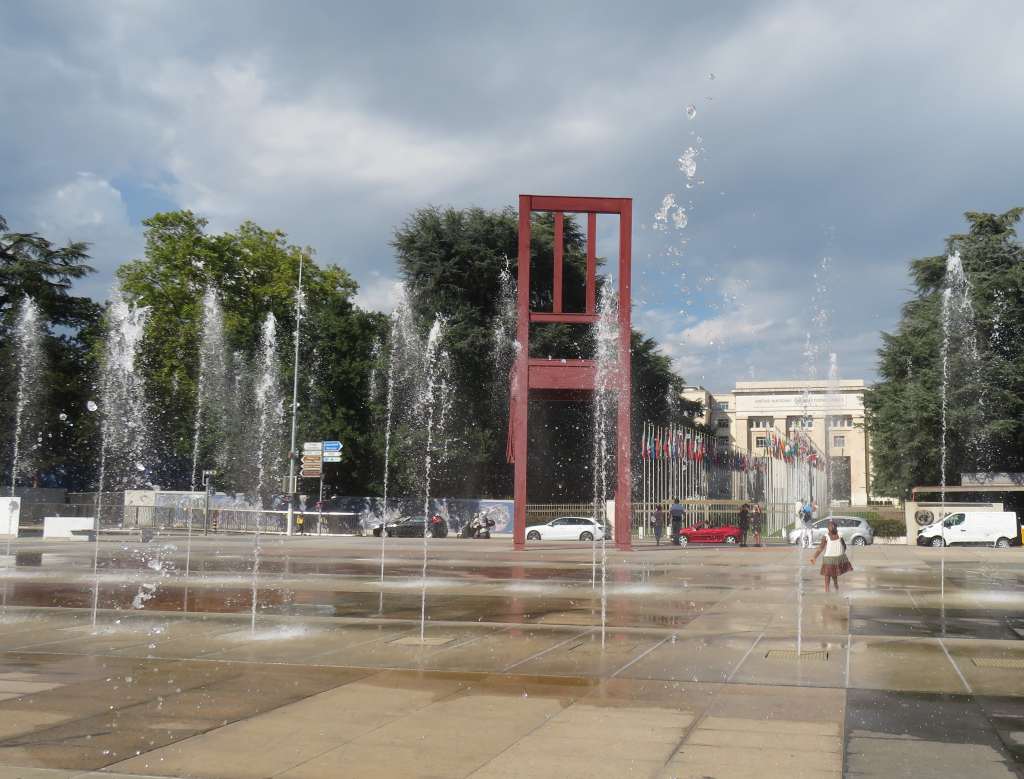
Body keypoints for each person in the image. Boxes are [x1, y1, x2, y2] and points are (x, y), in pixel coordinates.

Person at [809, 519, 853, 592]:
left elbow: (844, 546)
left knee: (834, 575)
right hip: (828, 559)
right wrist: (814, 557)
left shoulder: (839, 535)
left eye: (833, 526)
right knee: (827, 575)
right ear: (828, 528)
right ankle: (827, 590)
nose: (832, 527)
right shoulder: (825, 537)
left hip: (837, 559)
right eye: (830, 526)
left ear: (836, 527)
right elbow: (820, 548)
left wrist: (841, 555)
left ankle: (836, 587)